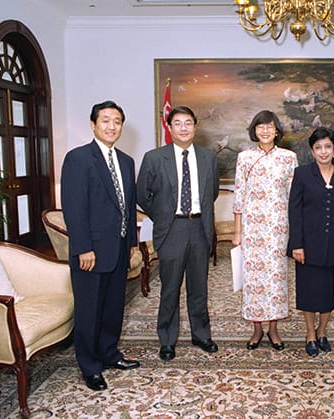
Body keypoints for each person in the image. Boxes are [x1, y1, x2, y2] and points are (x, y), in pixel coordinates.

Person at [60, 100, 141, 391]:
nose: (112, 126)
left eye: (117, 121)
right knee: (89, 310)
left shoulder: (126, 161)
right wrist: (83, 247)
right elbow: (73, 207)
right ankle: (90, 366)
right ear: (93, 124)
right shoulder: (79, 158)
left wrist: (131, 242)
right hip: (90, 252)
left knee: (112, 307)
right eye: (105, 120)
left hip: (118, 248)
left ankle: (109, 354)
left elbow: (127, 206)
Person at [136, 106, 220, 361]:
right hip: (171, 228)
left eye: (188, 123)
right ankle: (167, 340)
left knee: (199, 287)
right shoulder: (154, 157)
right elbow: (142, 194)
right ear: (169, 128)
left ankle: (201, 335)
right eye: (178, 123)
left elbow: (212, 192)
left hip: (199, 227)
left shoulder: (208, 157)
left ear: (195, 127)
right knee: (170, 288)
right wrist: (162, 216)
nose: (183, 128)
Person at [288, 127, 334, 357]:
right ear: (312, 151)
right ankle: (309, 333)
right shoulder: (302, 174)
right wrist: (296, 244)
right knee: (308, 292)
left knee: (328, 293)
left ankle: (322, 331)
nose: (323, 151)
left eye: (327, 146)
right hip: (307, 246)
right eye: (318, 147)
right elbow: (294, 212)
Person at [233, 110, 298, 351]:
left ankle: (273, 329)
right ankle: (257, 329)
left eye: (270, 126)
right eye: (260, 126)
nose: (265, 130)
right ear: (254, 130)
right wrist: (238, 232)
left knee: (275, 280)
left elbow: (294, 197)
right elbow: (239, 197)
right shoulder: (245, 158)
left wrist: (295, 232)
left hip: (278, 229)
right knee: (252, 281)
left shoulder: (288, 158)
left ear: (277, 130)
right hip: (252, 230)